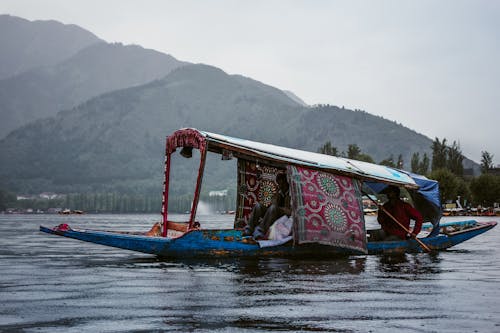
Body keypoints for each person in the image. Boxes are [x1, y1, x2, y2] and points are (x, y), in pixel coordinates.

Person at [243, 173, 291, 239]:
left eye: (282, 184)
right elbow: (272, 204)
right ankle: (249, 229)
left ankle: (260, 230)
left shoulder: (291, 194)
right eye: (279, 184)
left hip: (282, 217)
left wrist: (279, 208)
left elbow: (289, 212)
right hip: (272, 212)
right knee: (258, 206)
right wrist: (277, 195)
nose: (280, 186)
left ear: (286, 183)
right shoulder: (279, 192)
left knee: (273, 208)